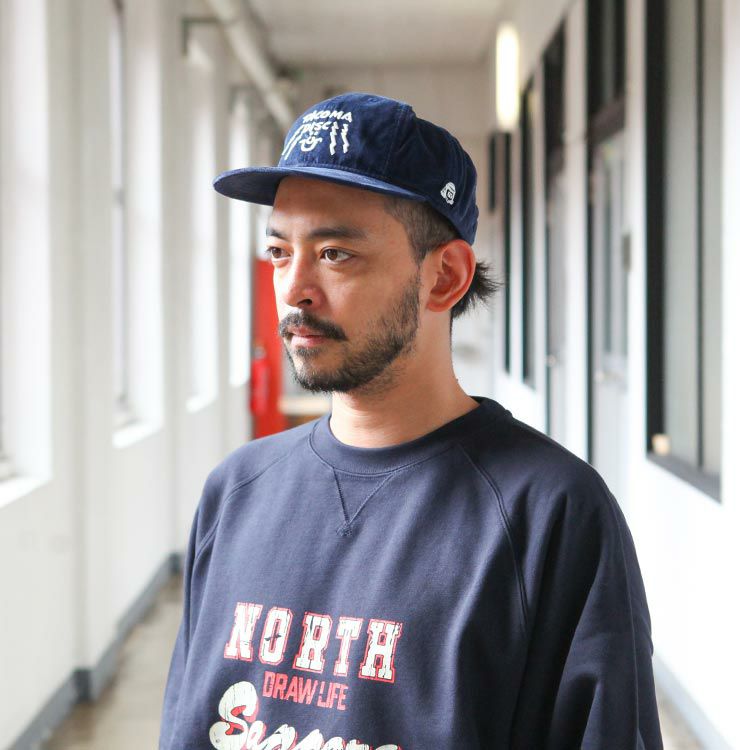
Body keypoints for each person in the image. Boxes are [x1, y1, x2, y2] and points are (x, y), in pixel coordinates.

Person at [159, 92, 662, 750]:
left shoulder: (550, 514)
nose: (294, 289)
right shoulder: (236, 493)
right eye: (280, 251)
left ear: (445, 277)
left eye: (335, 253)